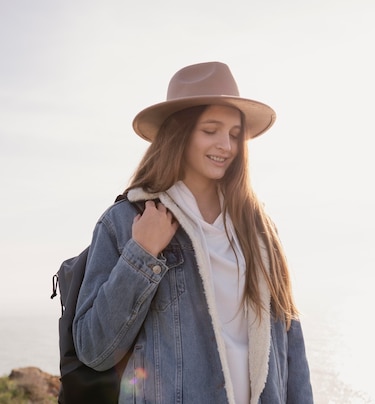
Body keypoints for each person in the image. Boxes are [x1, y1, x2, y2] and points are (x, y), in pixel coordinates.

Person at [73, 62, 314, 403]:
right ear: (180, 133)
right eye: (211, 130)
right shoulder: (126, 222)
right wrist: (141, 254)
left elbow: (291, 343)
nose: (226, 145)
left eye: (234, 133)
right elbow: (94, 349)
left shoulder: (258, 228)